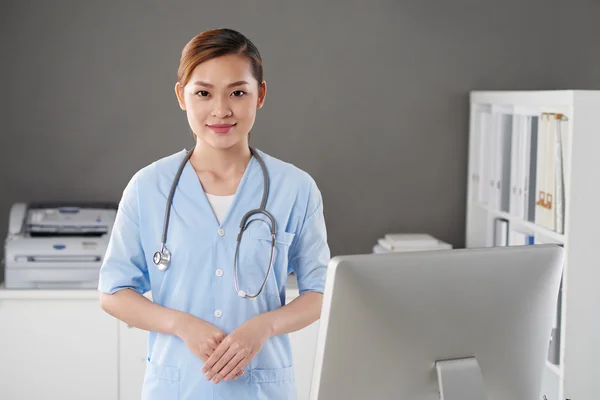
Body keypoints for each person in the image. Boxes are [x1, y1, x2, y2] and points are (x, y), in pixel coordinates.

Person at [97, 28, 331, 399]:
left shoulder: (296, 188)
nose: (221, 110)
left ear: (261, 95)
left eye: (238, 92)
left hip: (261, 387)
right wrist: (180, 324)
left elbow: (319, 292)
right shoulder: (149, 187)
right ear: (182, 97)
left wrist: (264, 327)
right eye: (203, 93)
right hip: (178, 387)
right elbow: (113, 292)